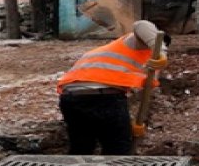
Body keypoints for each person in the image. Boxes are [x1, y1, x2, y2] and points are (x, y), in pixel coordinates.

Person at [57, 20, 168, 155]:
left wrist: (132, 124)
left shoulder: (139, 62)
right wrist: (162, 51)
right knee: (117, 147)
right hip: (102, 97)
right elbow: (142, 24)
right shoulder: (135, 41)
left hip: (71, 98)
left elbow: (136, 94)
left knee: (82, 147)